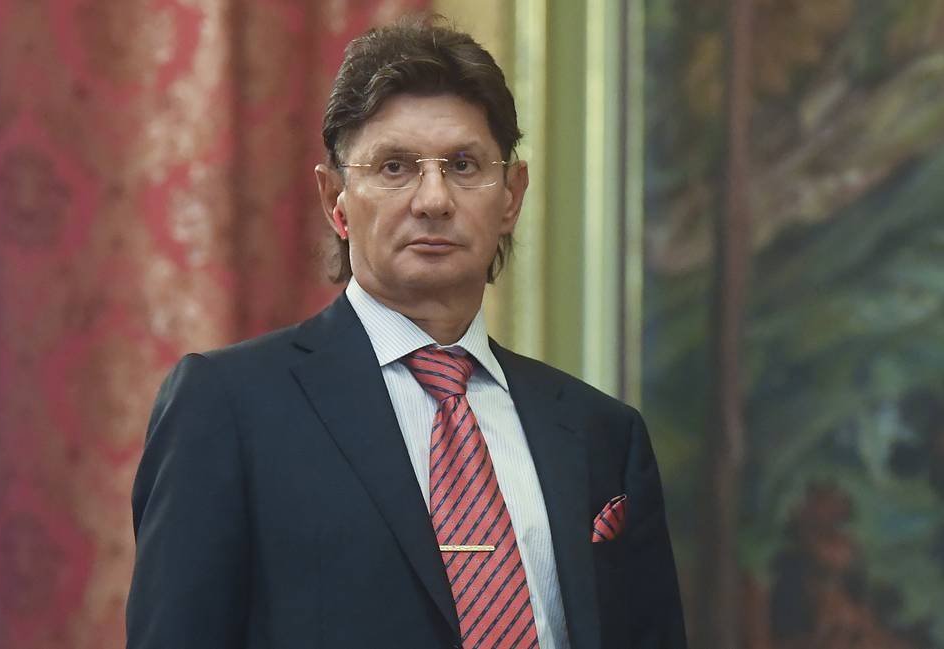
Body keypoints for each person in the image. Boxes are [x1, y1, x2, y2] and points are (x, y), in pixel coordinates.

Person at [126, 16, 685, 649]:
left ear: (511, 196)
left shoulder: (602, 434)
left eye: (464, 165)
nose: (433, 199)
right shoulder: (228, 406)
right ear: (335, 199)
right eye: (394, 167)